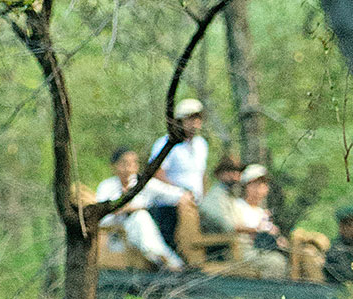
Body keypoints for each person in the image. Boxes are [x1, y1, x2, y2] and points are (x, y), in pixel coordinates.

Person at [96, 148, 185, 271]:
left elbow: (174, 194)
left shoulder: (143, 183)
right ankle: (167, 261)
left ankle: (162, 258)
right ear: (114, 166)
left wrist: (187, 197)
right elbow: (101, 218)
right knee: (140, 219)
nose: (129, 167)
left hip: (142, 231)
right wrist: (121, 209)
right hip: (117, 236)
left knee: (141, 218)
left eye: (133, 163)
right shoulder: (106, 186)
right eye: (124, 163)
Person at [148, 99, 208, 248]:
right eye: (190, 119)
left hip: (195, 203)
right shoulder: (165, 143)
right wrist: (181, 190)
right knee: (172, 242)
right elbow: (157, 172)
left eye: (197, 118)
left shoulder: (201, 144)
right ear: (179, 121)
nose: (194, 123)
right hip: (170, 204)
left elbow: (201, 174)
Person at [231, 164, 288, 279]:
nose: (259, 190)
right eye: (255, 185)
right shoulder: (237, 206)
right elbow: (233, 227)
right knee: (276, 262)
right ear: (246, 186)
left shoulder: (262, 212)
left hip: (262, 249)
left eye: (263, 185)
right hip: (243, 250)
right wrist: (256, 230)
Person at [200, 157, 243, 236]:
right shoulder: (215, 196)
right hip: (218, 244)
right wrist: (253, 229)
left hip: (231, 243)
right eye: (230, 171)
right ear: (219, 174)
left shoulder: (230, 196)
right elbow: (228, 226)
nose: (235, 176)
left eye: (238, 171)